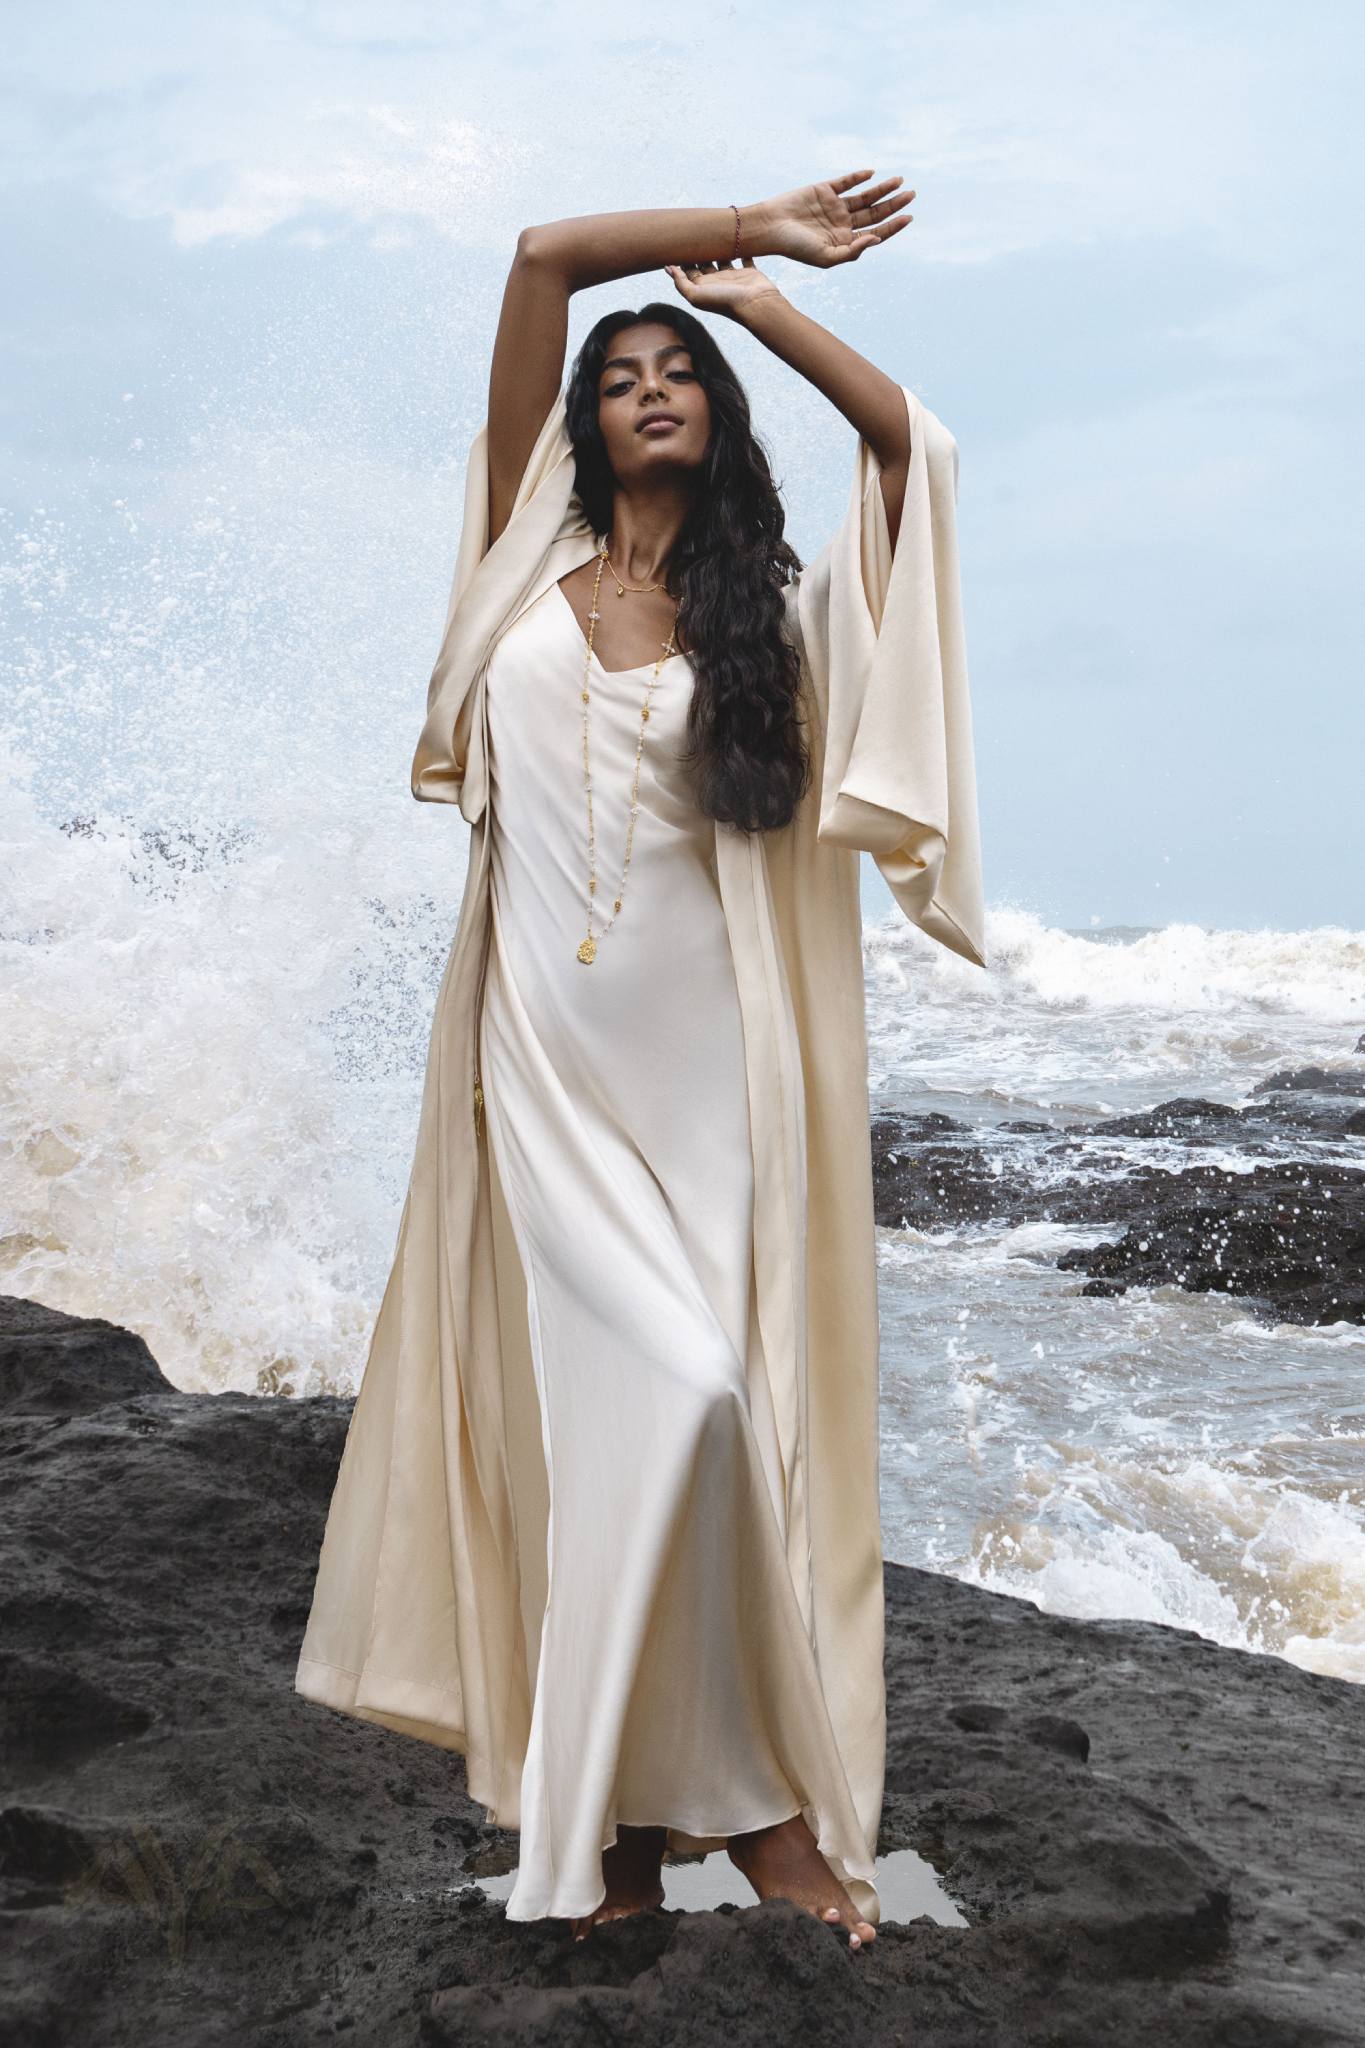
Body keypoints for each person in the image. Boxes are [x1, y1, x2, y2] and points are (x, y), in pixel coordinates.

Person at [295, 171, 986, 1954]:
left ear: (716, 410)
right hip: (538, 1063)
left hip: (715, 1077)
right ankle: (635, 1819)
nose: (649, 388)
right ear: (581, 424)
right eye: (624, 375)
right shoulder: (514, 552)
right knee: (636, 1409)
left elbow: (918, 454)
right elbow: (540, 259)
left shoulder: (778, 606)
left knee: (704, 1411)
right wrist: (748, 211)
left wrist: (766, 302)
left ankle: (704, 1820)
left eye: (680, 369)